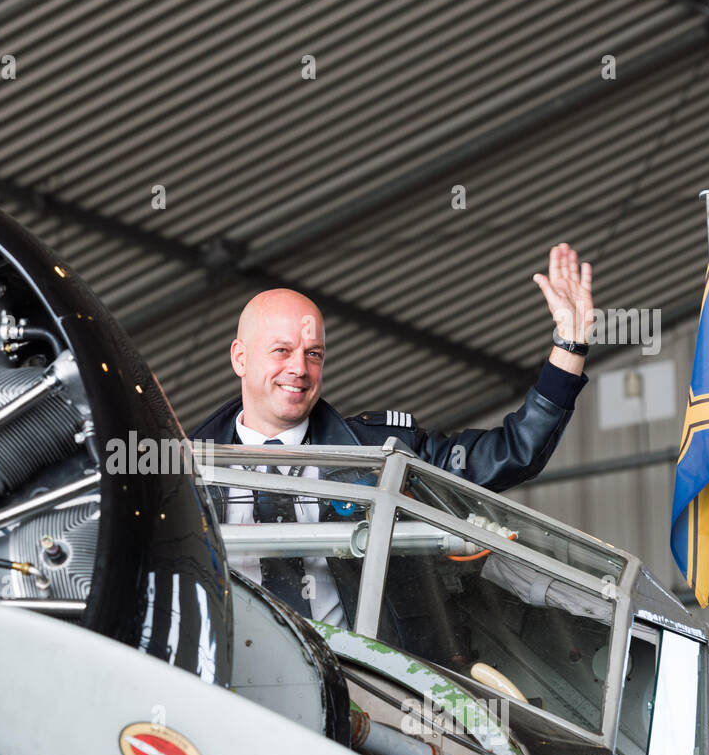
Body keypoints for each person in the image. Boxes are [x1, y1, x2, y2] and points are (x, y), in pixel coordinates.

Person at [190, 243, 593, 626]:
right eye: (281, 351)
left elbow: (511, 452)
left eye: (314, 354)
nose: (299, 368)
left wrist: (569, 346)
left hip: (355, 690)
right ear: (240, 358)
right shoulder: (184, 473)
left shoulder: (381, 452)